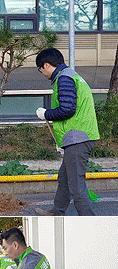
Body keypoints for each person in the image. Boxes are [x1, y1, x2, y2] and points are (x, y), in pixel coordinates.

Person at [34, 48, 99, 216]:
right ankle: (57, 211)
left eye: (40, 69)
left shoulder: (64, 79)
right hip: (76, 138)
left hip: (78, 138)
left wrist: (46, 114)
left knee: (77, 186)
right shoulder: (70, 76)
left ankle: (88, 221)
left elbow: (67, 109)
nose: (42, 73)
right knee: (64, 179)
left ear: (47, 65)